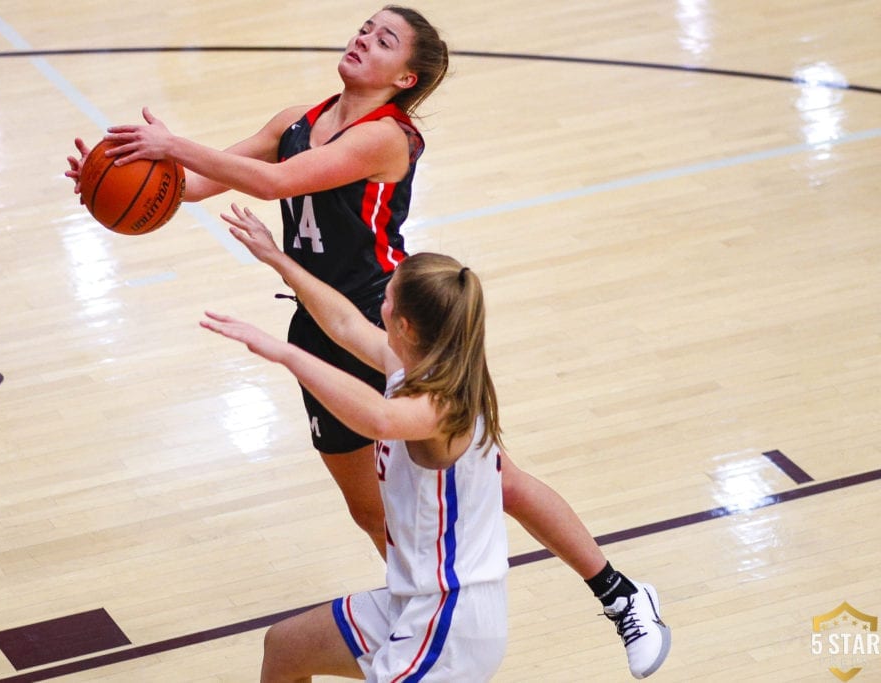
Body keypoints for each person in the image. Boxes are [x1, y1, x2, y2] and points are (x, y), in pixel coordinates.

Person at [65, 6, 670, 678]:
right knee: (367, 504)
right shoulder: (297, 119)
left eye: (383, 40)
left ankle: (619, 592)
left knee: (494, 478)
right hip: (316, 316)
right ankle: (415, 611)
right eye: (364, 28)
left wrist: (171, 146)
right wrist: (109, 183)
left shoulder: (387, 138)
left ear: (405, 76)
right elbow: (199, 184)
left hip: (386, 316)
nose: (363, 39)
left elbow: (272, 183)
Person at [204, 205, 508, 681]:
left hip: (452, 616)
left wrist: (287, 354)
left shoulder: (444, 403)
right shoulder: (411, 363)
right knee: (286, 647)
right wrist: (275, 257)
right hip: (413, 598)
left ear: (404, 325)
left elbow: (380, 418)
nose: (377, 303)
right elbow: (344, 323)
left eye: (386, 298)